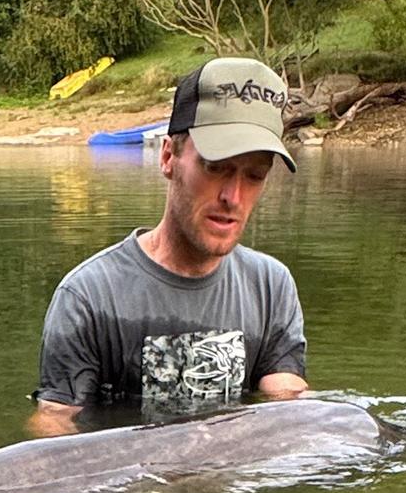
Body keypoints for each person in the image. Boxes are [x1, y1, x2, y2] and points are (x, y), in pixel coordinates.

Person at [31, 57, 308, 435]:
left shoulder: (271, 287)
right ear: (167, 157)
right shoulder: (88, 298)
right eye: (215, 167)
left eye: (255, 176)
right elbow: (55, 425)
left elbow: (287, 404)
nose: (233, 196)